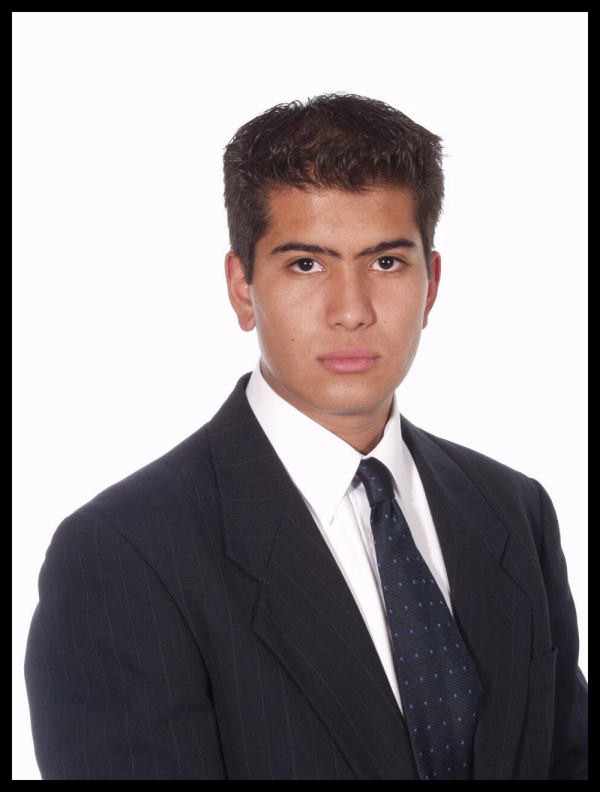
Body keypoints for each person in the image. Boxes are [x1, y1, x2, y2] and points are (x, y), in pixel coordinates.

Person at [24, 93, 587, 781]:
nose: (351, 311)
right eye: (306, 264)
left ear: (431, 283)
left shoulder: (514, 511)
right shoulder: (122, 556)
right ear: (242, 288)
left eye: (386, 262)